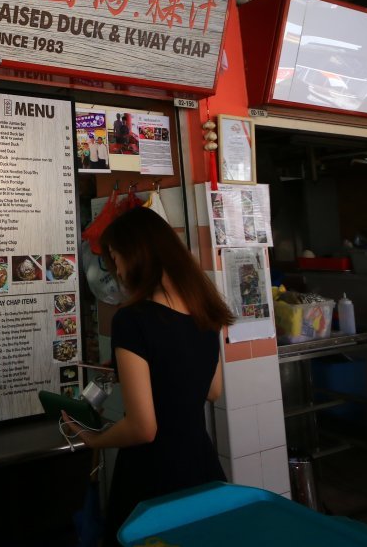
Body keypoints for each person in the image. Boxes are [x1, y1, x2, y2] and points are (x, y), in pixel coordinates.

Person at [61, 207, 234, 543]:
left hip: (153, 479)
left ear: (137, 254)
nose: (118, 270)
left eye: (116, 258)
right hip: (202, 468)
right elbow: (212, 390)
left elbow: (143, 427)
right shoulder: (204, 310)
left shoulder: (133, 320)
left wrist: (94, 439)